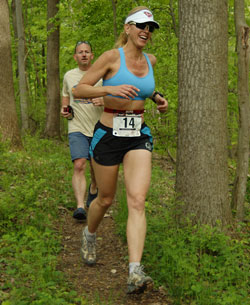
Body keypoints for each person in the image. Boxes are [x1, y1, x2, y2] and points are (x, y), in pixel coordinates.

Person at [73, 6, 168, 294]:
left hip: (138, 134)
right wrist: (108, 90)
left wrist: (157, 97)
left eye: (150, 28)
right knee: (105, 199)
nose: (146, 31)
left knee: (137, 200)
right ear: (127, 28)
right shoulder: (112, 58)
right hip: (108, 134)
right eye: (140, 25)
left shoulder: (150, 60)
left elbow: (144, 88)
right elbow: (80, 89)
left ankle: (134, 272)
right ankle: (89, 234)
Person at [61, 41, 104, 221]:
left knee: (96, 166)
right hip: (76, 127)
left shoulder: (102, 75)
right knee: (79, 164)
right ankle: (80, 206)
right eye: (80, 52)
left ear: (92, 55)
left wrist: (103, 100)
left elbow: (113, 95)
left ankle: (94, 186)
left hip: (99, 127)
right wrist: (65, 108)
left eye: (87, 51)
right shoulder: (69, 76)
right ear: (75, 57)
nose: (84, 54)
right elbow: (65, 94)